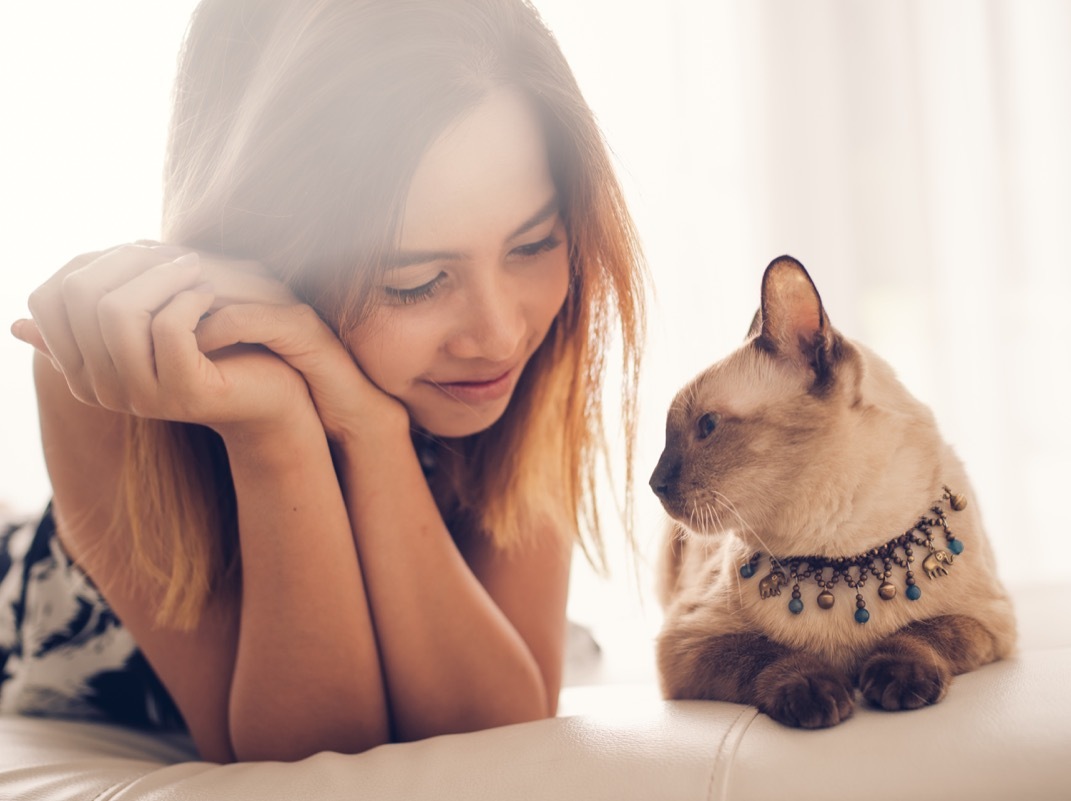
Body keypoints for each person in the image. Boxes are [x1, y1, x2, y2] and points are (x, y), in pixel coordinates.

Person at [3, 0, 644, 764]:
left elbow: (504, 724)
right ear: (270, 253)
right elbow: (300, 757)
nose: (502, 334)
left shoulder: (534, 343)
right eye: (415, 283)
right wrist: (275, 427)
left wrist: (368, 431)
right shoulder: (112, 369)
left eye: (533, 243)